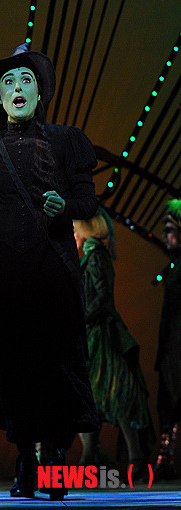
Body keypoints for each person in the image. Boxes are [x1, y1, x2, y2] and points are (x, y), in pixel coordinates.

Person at [0, 43, 100, 500]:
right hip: (7, 275)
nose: (18, 88)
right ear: (0, 98)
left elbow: (88, 202)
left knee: (57, 363)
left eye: (26, 80)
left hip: (53, 269)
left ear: (39, 93)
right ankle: (26, 462)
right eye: (9, 82)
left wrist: (64, 207)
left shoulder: (64, 140)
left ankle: (54, 459)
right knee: (14, 367)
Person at [74, 209, 153, 478]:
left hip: (101, 337)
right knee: (97, 397)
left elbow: (103, 299)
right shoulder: (94, 256)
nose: (73, 235)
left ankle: (111, 457)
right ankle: (96, 456)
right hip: (94, 334)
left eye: (75, 229)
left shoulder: (96, 256)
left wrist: (79, 318)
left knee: (110, 394)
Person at [153, 198, 181, 481]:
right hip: (172, 347)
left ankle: (166, 459)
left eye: (170, 229)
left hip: (176, 347)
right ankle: (165, 459)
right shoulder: (174, 266)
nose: (165, 234)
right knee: (168, 404)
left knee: (172, 401)